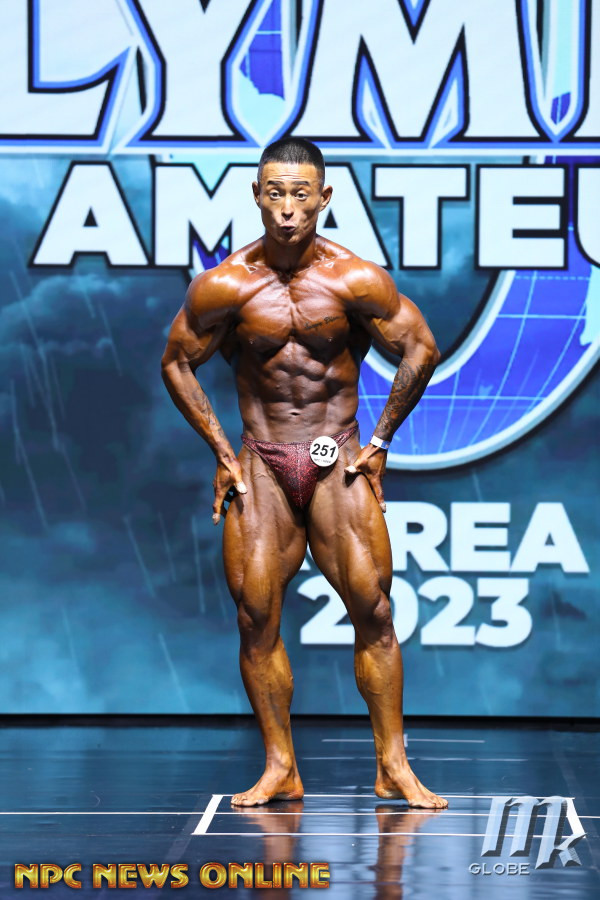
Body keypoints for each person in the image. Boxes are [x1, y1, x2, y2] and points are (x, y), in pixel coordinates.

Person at [161, 138, 447, 809]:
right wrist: (222, 452)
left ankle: (392, 766)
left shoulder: (354, 280)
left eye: (300, 194)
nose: (288, 208)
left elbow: (421, 348)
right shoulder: (226, 284)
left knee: (374, 610)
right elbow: (176, 362)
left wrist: (380, 440)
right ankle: (280, 767)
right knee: (255, 617)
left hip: (335, 457)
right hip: (262, 462)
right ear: (256, 196)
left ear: (324, 197)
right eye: (275, 193)